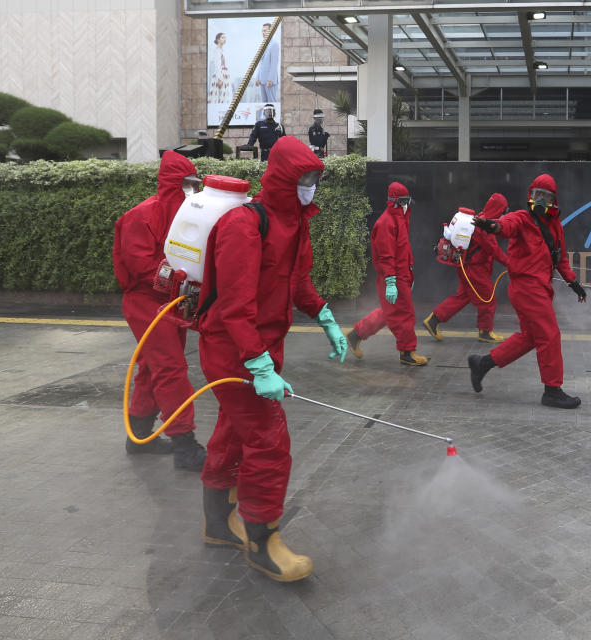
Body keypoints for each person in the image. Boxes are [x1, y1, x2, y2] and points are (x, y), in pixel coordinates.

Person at [195, 136, 348, 582]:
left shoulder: (295, 223)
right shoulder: (245, 225)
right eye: (305, 178)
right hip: (232, 351)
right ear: (283, 177)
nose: (311, 187)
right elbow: (234, 306)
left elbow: (296, 281)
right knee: (268, 440)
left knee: (232, 432)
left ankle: (218, 523)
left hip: (260, 348)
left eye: (315, 179)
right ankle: (264, 542)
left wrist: (325, 316)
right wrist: (257, 365)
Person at [112, 151, 208, 470]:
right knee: (170, 368)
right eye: (187, 184)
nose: (192, 190)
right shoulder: (140, 216)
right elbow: (142, 267)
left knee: (154, 368)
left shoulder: (186, 215)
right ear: (172, 184)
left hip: (170, 301)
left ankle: (138, 435)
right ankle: (184, 444)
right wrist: (179, 278)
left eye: (195, 184)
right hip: (145, 302)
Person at [468, 174, 588, 409]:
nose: (540, 200)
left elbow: (560, 258)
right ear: (530, 196)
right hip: (527, 288)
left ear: (554, 200)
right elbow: (505, 225)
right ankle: (552, 391)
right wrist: (493, 225)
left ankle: (482, 363)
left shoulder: (555, 227)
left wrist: (573, 283)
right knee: (550, 334)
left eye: (546, 196)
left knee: (531, 337)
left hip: (539, 289)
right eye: (537, 195)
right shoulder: (522, 219)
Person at [347, 183, 429, 366]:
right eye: (404, 201)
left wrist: (410, 273)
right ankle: (407, 352)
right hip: (394, 277)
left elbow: (403, 251)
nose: (407, 204)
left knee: (389, 313)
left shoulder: (399, 219)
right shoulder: (386, 223)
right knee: (404, 314)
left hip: (401, 276)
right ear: (396, 201)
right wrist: (391, 281)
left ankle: (355, 335)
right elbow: (386, 256)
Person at [423, 193, 510, 344]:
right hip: (475, 270)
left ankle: (434, 320)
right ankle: (485, 332)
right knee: (488, 298)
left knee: (462, 297)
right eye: (504, 211)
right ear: (498, 210)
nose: (504, 214)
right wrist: (512, 264)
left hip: (466, 267)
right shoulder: (484, 228)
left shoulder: (480, 218)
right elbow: (494, 251)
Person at [254, 22, 280, 103]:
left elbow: (274, 64)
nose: (263, 33)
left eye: (265, 31)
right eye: (262, 31)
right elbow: (260, 63)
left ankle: (272, 116)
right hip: (262, 80)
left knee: (271, 103)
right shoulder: (263, 45)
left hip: (270, 81)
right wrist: (258, 77)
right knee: (264, 103)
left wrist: (270, 79)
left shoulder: (274, 44)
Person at [207, 32, 232, 104]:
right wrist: (219, 79)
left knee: (225, 96)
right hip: (220, 75)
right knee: (219, 95)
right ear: (218, 40)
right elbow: (217, 65)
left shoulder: (222, 50)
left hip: (224, 74)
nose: (224, 39)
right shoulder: (217, 50)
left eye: (225, 38)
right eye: (223, 38)